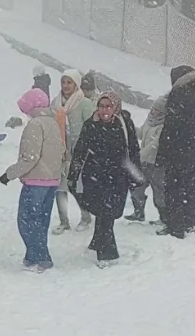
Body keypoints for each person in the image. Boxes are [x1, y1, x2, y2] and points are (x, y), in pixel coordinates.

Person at [68, 92, 140, 268]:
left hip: (117, 178)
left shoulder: (123, 124)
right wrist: (73, 174)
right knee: (103, 211)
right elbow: (80, 151)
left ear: (115, 107)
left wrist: (135, 174)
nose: (105, 110)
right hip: (95, 177)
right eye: (101, 106)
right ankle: (105, 250)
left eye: (109, 106)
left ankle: (103, 248)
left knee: (108, 213)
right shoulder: (91, 124)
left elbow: (133, 149)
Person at [0, 89, 63, 272]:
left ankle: (41, 258)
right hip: (51, 181)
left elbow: (30, 158)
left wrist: (9, 174)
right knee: (41, 221)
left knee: (26, 220)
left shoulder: (35, 125)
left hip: (36, 181)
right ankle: (32, 256)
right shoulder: (52, 123)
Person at [156, 65, 195, 239]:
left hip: (177, 151)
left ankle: (175, 226)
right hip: (193, 151)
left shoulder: (178, 94)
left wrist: (163, 152)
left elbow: (171, 126)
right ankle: (189, 221)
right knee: (189, 187)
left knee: (173, 188)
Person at [51, 69, 96, 234]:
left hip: (79, 153)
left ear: (76, 84)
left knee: (77, 187)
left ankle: (85, 217)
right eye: (63, 82)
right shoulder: (56, 103)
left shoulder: (84, 103)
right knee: (59, 188)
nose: (65, 86)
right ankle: (64, 221)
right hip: (60, 152)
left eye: (69, 82)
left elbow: (92, 129)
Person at [127, 95, 168, 224]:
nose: (153, 111)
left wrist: (139, 156)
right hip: (144, 163)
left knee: (159, 192)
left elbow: (154, 145)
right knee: (136, 187)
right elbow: (141, 134)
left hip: (156, 164)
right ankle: (138, 212)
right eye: (153, 108)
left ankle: (164, 217)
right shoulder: (149, 120)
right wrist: (131, 128)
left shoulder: (163, 126)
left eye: (157, 110)